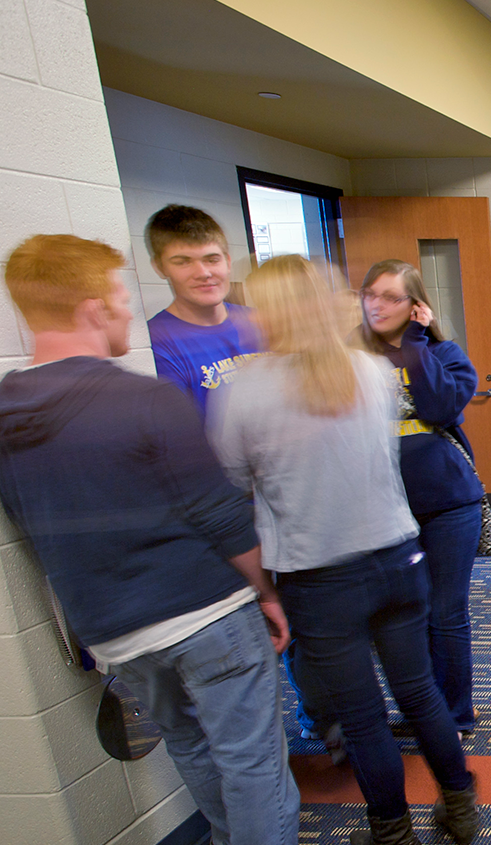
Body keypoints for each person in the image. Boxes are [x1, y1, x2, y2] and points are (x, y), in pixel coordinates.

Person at [0, 234, 298, 845]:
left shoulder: (5, 412)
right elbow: (219, 514)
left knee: (189, 747)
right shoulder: (146, 398)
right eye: (118, 295)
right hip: (208, 614)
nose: (128, 309)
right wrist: (267, 591)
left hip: (113, 631)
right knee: (254, 763)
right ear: (91, 309)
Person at [211, 255, 475, 845]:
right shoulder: (371, 372)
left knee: (361, 717)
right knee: (419, 691)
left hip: (318, 576)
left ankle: (391, 829)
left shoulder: (243, 393)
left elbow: (231, 492)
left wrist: (261, 589)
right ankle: (459, 802)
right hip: (397, 558)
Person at [357, 259, 485, 734]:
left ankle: (453, 715)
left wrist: (414, 344)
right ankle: (420, 709)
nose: (378, 304)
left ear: (416, 306)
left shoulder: (444, 354)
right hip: (377, 504)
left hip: (447, 502)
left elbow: (438, 406)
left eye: (392, 297)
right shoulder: (349, 357)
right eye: (371, 293)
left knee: (444, 611)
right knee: (398, 615)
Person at [144, 205, 262, 417]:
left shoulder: (260, 321)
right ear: (160, 267)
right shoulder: (155, 343)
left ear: (227, 261)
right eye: (183, 262)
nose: (203, 273)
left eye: (212, 259)